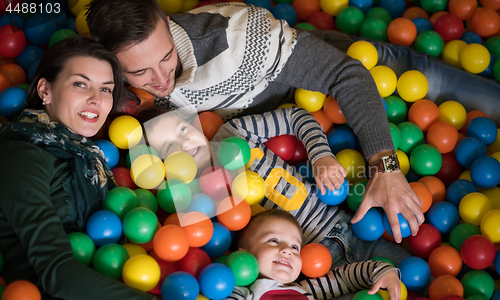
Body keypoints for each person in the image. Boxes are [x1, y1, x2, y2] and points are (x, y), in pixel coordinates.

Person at [85, 0, 425, 241]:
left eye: (166, 57)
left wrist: (385, 167)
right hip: (258, 139)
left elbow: (347, 75)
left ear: (168, 27)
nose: (161, 80)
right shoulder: (113, 84)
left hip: (329, 74)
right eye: (140, 72)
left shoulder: (240, 39)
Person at [0, 36, 222, 300]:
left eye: (106, 89)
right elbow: (56, 270)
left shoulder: (91, 158)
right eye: (81, 84)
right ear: (45, 90)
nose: (96, 99)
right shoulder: (20, 154)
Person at [134, 105, 413, 300]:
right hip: (314, 275)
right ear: (161, 169)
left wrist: (320, 156)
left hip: (356, 225)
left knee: (410, 282)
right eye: (170, 149)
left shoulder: (235, 133)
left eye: (183, 129)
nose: (184, 144)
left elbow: (296, 116)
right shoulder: (196, 206)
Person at [211, 209, 401, 300]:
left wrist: (382, 271)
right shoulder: (240, 292)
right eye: (274, 241)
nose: (287, 250)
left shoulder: (306, 291)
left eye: (295, 247)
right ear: (244, 255)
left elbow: (345, 278)